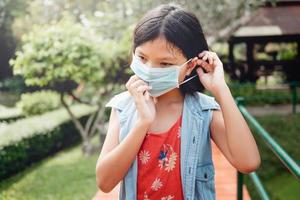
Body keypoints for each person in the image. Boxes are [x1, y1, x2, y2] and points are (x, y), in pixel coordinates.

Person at [96, 3, 260, 200]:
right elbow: (105, 182)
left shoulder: (203, 111)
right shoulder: (123, 107)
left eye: (165, 63)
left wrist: (221, 89)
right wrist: (142, 123)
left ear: (191, 65)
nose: (149, 69)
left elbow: (248, 162)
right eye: (142, 57)